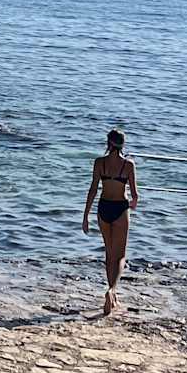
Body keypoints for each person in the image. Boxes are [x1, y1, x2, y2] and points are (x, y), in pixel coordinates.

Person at [82, 129, 139, 315]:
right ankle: (112, 290)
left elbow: (93, 190)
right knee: (120, 255)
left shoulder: (100, 163)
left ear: (108, 143)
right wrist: (133, 203)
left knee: (109, 254)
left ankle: (111, 295)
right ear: (123, 144)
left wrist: (85, 216)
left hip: (104, 207)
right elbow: (135, 195)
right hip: (120, 208)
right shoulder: (128, 165)